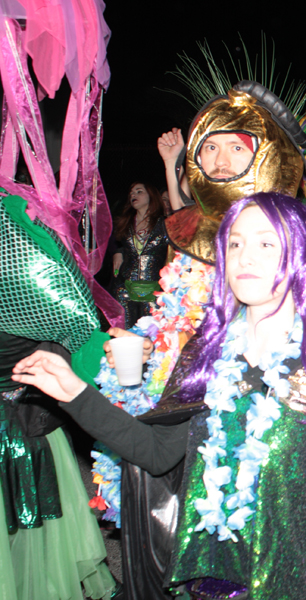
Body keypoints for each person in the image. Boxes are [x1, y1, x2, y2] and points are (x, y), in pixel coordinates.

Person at [14, 194, 306, 599]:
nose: (245, 257)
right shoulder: (205, 353)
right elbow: (157, 452)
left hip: (300, 576)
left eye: (265, 243)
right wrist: (76, 394)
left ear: (301, 255)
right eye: (236, 243)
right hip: (211, 575)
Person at [0, 194, 118, 600]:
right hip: (21, 416)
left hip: (20, 417)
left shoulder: (12, 238)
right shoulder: (14, 232)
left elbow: (74, 320)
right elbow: (76, 321)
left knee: (29, 540)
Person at [110, 182, 169, 329]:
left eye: (139, 191)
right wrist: (119, 251)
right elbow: (114, 243)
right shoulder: (125, 223)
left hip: (154, 289)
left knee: (151, 336)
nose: (133, 195)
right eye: (131, 193)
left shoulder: (165, 224)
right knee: (126, 335)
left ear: (151, 195)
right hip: (126, 288)